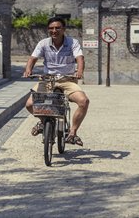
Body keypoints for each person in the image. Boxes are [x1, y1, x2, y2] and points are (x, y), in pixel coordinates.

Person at [23, 17, 89, 146]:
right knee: (30, 104)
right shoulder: (43, 43)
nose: (54, 30)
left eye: (58, 28)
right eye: (51, 28)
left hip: (67, 79)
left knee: (83, 101)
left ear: (63, 29)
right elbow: (33, 58)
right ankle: (43, 122)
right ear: (48, 30)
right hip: (47, 79)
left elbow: (80, 58)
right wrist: (28, 70)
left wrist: (79, 71)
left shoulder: (72, 42)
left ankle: (72, 133)